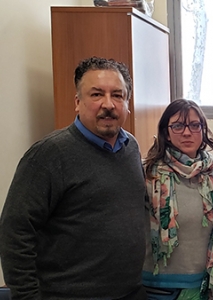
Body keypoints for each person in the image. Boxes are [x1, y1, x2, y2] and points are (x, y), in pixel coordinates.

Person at [0, 57, 147, 299]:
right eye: (97, 94)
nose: (108, 104)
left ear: (127, 104)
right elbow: (15, 233)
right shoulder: (49, 155)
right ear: (78, 102)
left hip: (130, 292)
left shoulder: (131, 147)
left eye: (118, 95)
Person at [142, 99, 213, 300]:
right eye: (178, 125)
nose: (187, 132)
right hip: (158, 288)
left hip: (205, 286)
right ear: (166, 131)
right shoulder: (147, 174)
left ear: (203, 130)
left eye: (195, 125)